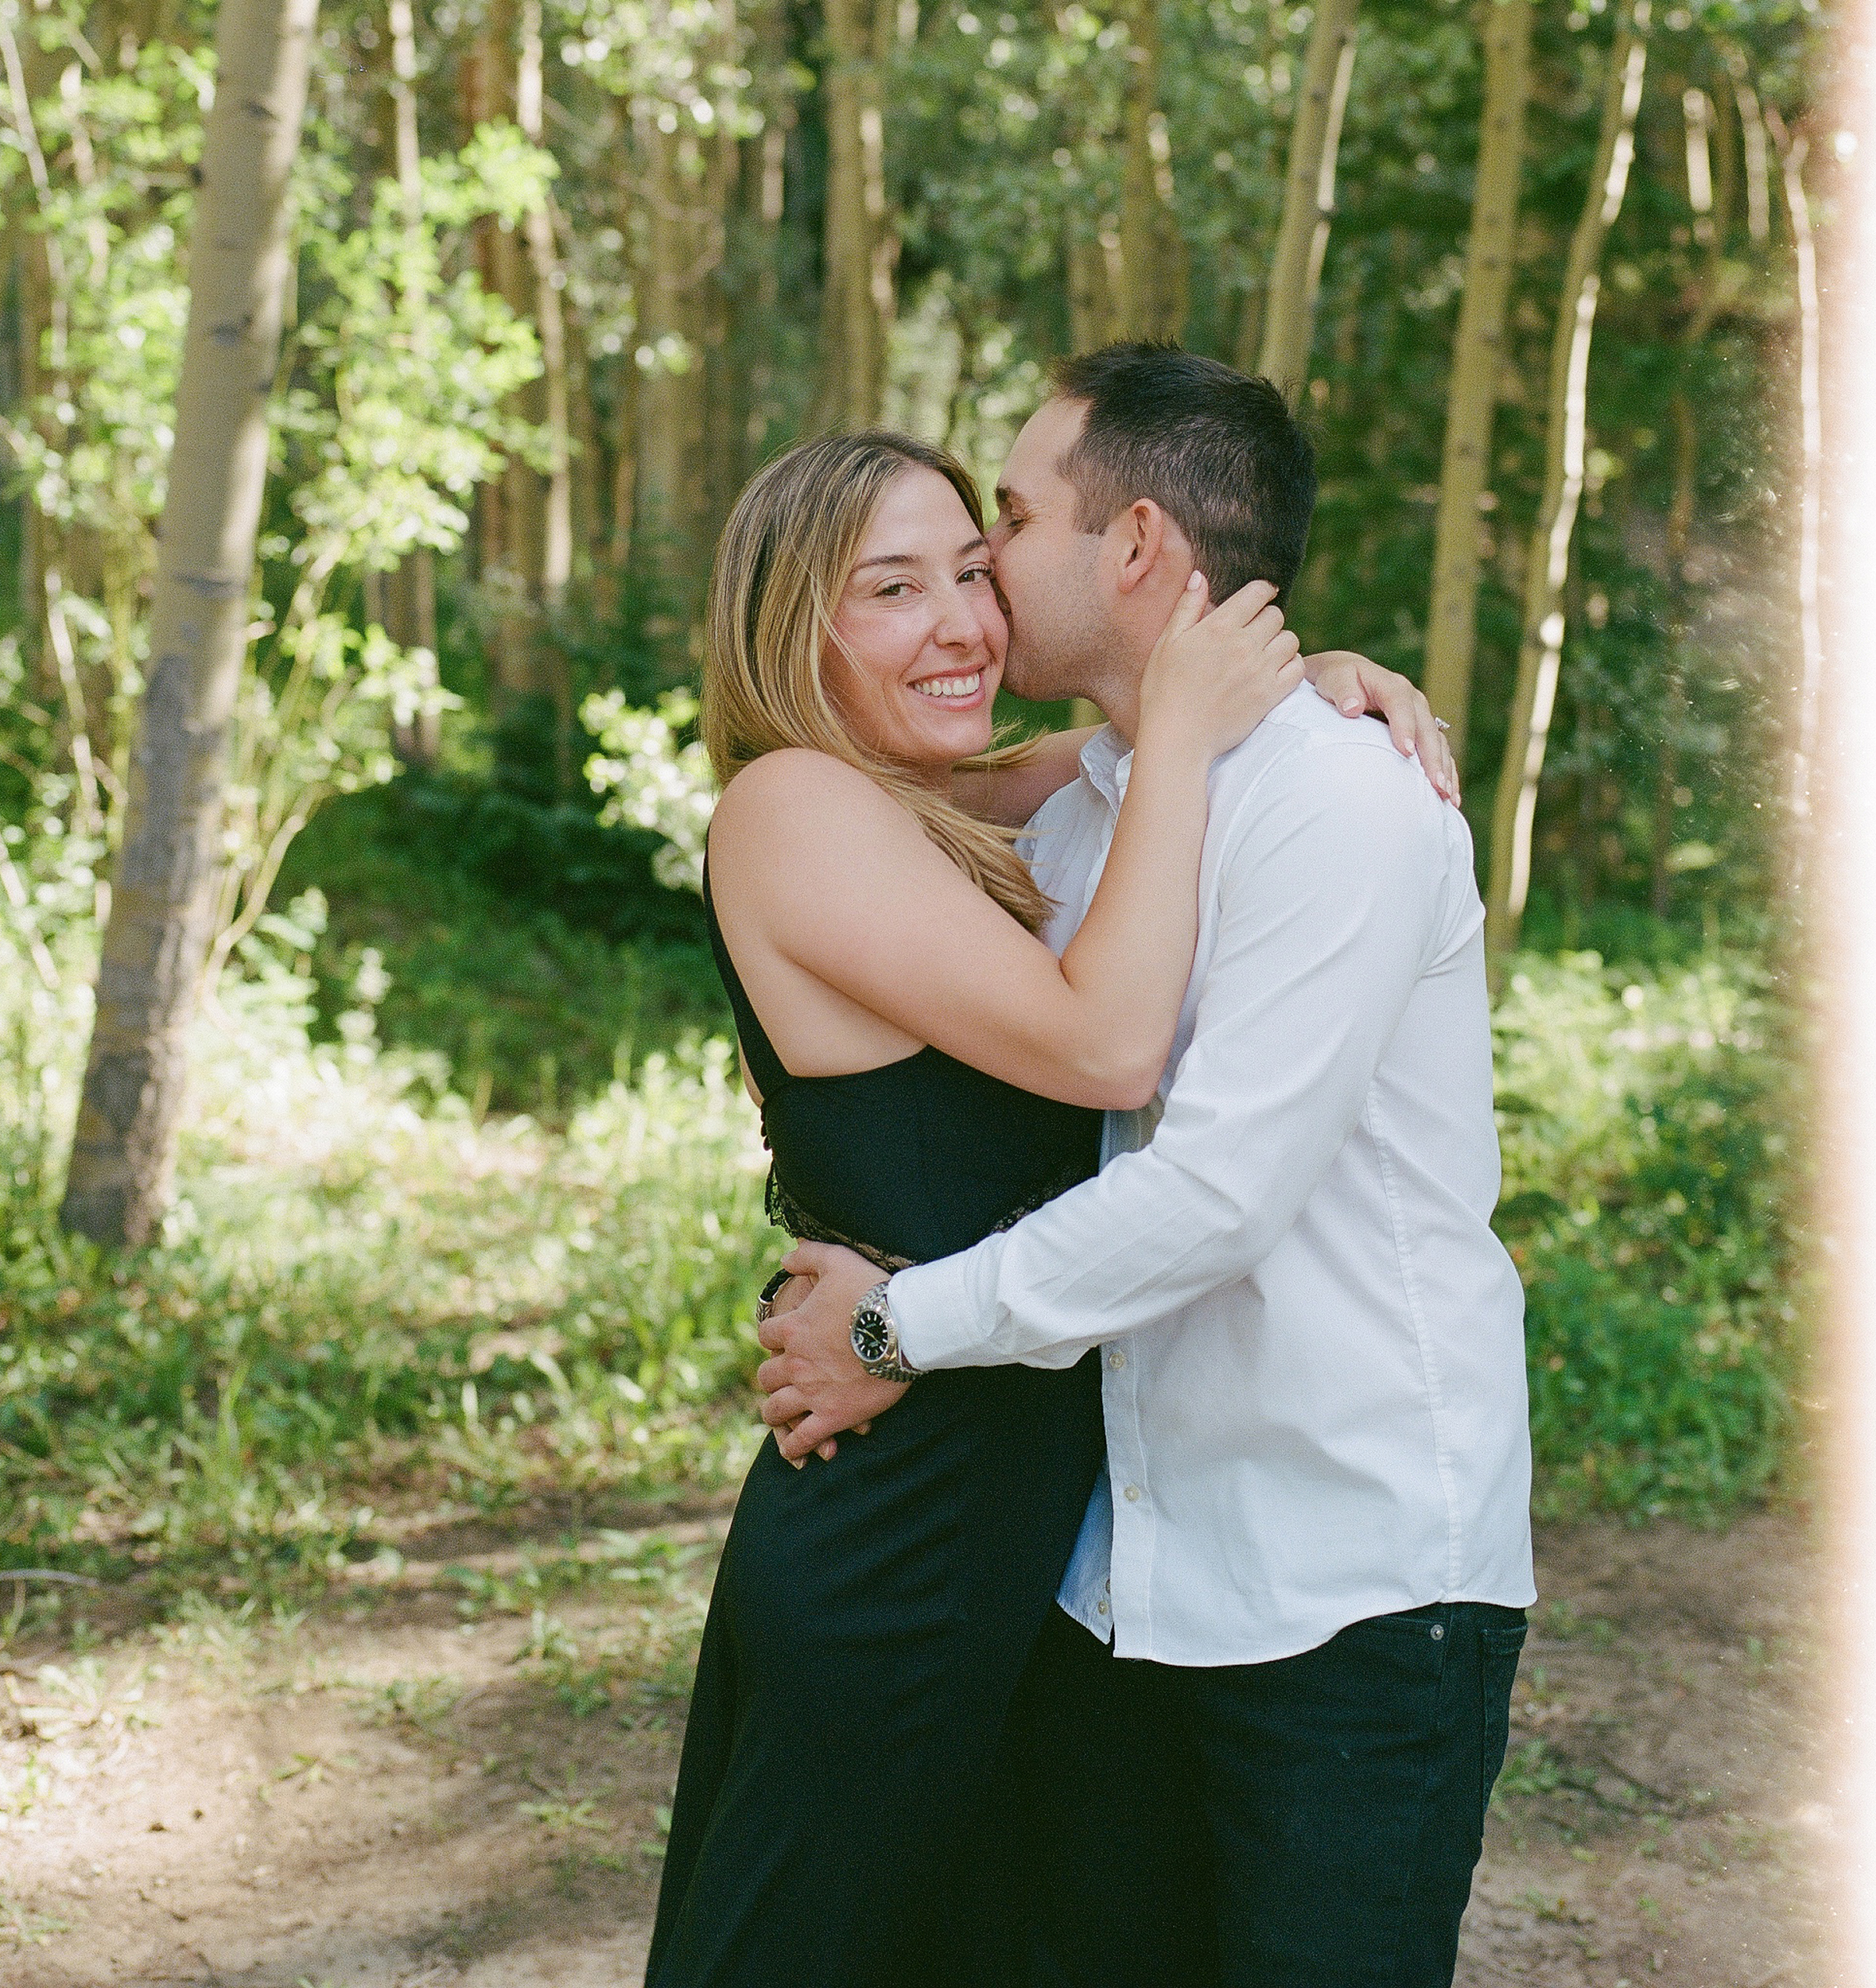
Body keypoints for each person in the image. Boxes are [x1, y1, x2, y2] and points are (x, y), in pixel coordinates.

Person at [758, 344, 1537, 1988]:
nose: (981, 588)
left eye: (1004, 531)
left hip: (1351, 1583)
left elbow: (1211, 1197)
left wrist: (897, 1326)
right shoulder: (1083, 817)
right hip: (1118, 1580)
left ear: (1130, 551)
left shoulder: (1345, 806)